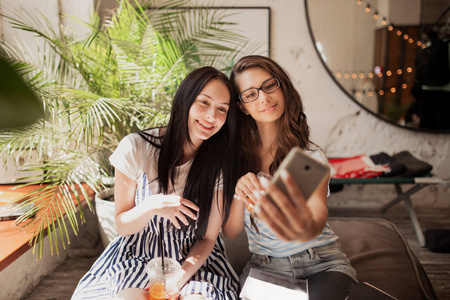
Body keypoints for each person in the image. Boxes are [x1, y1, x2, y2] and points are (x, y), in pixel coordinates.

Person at [72, 66, 240, 300]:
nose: (212, 116)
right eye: (204, 102)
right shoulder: (136, 147)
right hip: (138, 254)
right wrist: (152, 205)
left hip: (195, 261)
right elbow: (122, 225)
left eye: (222, 109)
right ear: (185, 100)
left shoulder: (219, 162)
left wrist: (177, 281)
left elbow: (208, 238)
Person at [223, 55, 357, 299]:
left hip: (322, 262)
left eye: (269, 85)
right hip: (266, 266)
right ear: (242, 106)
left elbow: (313, 223)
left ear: (282, 86)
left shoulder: (310, 157)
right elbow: (231, 232)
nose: (264, 98)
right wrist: (238, 190)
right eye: (251, 94)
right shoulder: (236, 159)